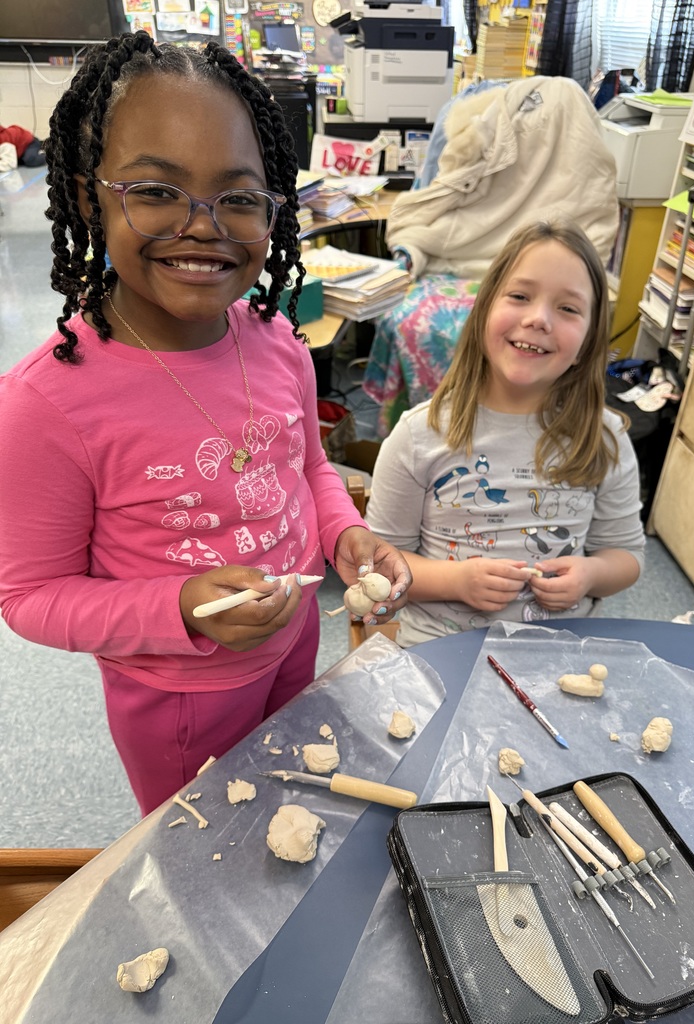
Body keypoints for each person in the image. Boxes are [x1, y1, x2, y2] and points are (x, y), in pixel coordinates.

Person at [0, 32, 410, 816]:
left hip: (294, 647)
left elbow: (307, 470)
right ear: (90, 196)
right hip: (176, 698)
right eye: (155, 190)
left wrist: (339, 536)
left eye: (239, 197)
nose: (203, 225)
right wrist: (180, 607)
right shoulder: (47, 403)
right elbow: (29, 597)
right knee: (202, 845)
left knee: (291, 804)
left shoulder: (280, 342)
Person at [365, 220, 645, 647]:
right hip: (439, 651)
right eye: (519, 296)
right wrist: (456, 581)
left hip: (563, 652)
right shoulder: (419, 435)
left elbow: (626, 557)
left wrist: (591, 575)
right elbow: (381, 564)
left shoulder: (605, 440)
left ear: (588, 343)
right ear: (483, 312)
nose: (538, 319)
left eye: (568, 308)